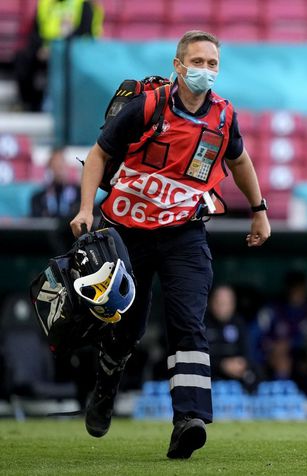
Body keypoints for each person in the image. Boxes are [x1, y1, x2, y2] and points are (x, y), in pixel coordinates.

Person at [69, 30, 270, 459]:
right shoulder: (148, 106)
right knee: (125, 329)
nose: (206, 71)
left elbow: (239, 160)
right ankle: (105, 387)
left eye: (213, 63)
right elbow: (100, 155)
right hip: (127, 232)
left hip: (184, 232)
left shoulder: (223, 116)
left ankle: (189, 422)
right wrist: (87, 208)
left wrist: (259, 208)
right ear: (178, 66)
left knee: (188, 324)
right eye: (198, 61)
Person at [15, 0, 102, 111]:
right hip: (46, 51)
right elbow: (35, 31)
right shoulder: (45, 3)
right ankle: (30, 104)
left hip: (70, 52)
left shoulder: (83, 5)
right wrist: (41, 48)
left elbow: (85, 34)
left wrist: (57, 50)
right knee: (23, 59)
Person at [205, 285, 257, 390]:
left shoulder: (239, 323)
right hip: (210, 373)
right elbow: (198, 355)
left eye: (225, 303)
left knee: (254, 377)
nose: (221, 307)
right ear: (211, 303)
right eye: (218, 302)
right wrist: (222, 365)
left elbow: (248, 352)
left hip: (237, 373)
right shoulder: (202, 323)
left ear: (233, 304)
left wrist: (243, 363)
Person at [30, 147, 80, 218]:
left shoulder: (79, 194)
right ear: (49, 168)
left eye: (61, 164)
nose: (59, 169)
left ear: (67, 166)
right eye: (55, 165)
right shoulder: (38, 199)